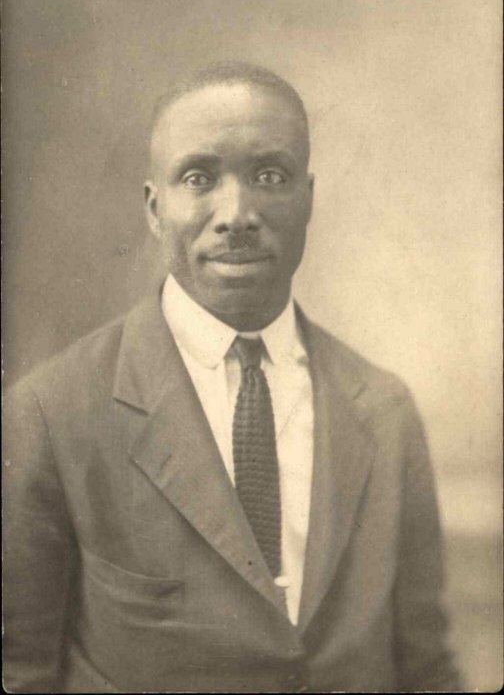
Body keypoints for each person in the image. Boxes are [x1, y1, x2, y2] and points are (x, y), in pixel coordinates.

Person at [3, 62, 461, 693]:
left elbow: (428, 671)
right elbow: (18, 674)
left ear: (307, 198)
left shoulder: (384, 411)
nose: (237, 213)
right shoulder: (51, 412)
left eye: (269, 176)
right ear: (154, 208)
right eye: (200, 177)